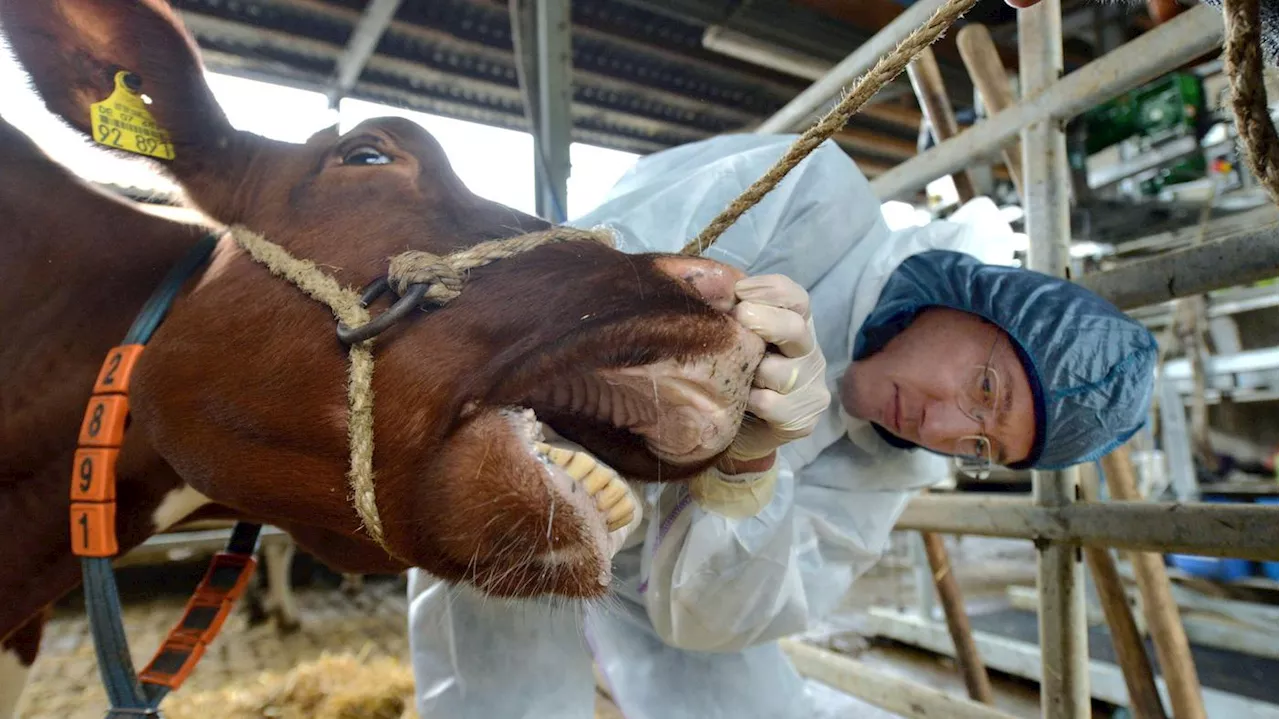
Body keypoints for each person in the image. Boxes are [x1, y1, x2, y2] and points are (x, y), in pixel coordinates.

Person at [405, 133, 1158, 719]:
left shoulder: (881, 477)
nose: (941, 423)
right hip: (534, 446)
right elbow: (589, 272)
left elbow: (717, 619)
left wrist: (751, 469)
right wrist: (714, 326)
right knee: (508, 690)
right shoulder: (814, 199)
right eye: (983, 386)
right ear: (971, 299)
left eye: (980, 444)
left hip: (658, 582)